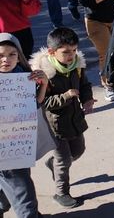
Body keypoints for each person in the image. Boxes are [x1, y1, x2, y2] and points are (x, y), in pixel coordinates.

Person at [31, 27, 94, 208]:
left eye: (74, 51)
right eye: (66, 52)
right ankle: (62, 193)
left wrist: (87, 99)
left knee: (78, 151)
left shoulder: (76, 66)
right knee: (64, 159)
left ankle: (53, 164)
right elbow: (43, 102)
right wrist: (65, 96)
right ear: (52, 52)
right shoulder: (44, 74)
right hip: (54, 125)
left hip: (74, 120)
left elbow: (84, 85)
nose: (71, 55)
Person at [0, 33, 48, 218]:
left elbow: (34, 104)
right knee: (24, 194)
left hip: (19, 143)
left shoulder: (21, 75)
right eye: (1, 55)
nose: (6, 59)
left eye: (12, 54)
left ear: (19, 55)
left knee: (10, 186)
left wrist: (43, 84)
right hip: (5, 151)